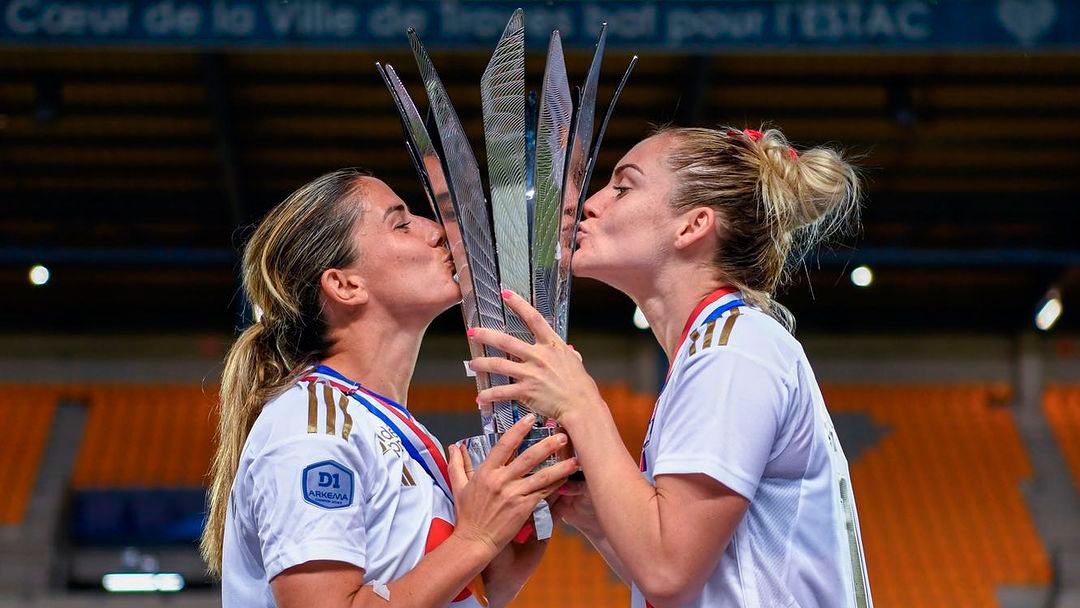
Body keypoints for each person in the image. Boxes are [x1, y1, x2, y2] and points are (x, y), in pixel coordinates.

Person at [467, 126, 873, 607]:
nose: (591, 204)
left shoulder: (732, 350)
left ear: (692, 226)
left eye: (623, 186)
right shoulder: (717, 347)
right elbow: (693, 580)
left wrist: (582, 405)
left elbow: (667, 571)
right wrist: (592, 509)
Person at [199, 168, 579, 608]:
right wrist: (476, 537)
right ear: (345, 284)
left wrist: (523, 522)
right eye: (401, 223)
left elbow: (454, 590)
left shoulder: (390, 428)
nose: (437, 231)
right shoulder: (313, 427)